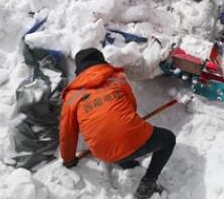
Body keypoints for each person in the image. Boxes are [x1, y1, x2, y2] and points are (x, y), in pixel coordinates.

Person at [59, 48, 176, 199]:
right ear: (100, 61)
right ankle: (148, 182)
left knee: (116, 146)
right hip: (131, 136)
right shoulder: (117, 78)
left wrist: (69, 160)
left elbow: (67, 134)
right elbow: (131, 106)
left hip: (102, 151)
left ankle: (126, 162)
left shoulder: (72, 96)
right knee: (168, 139)